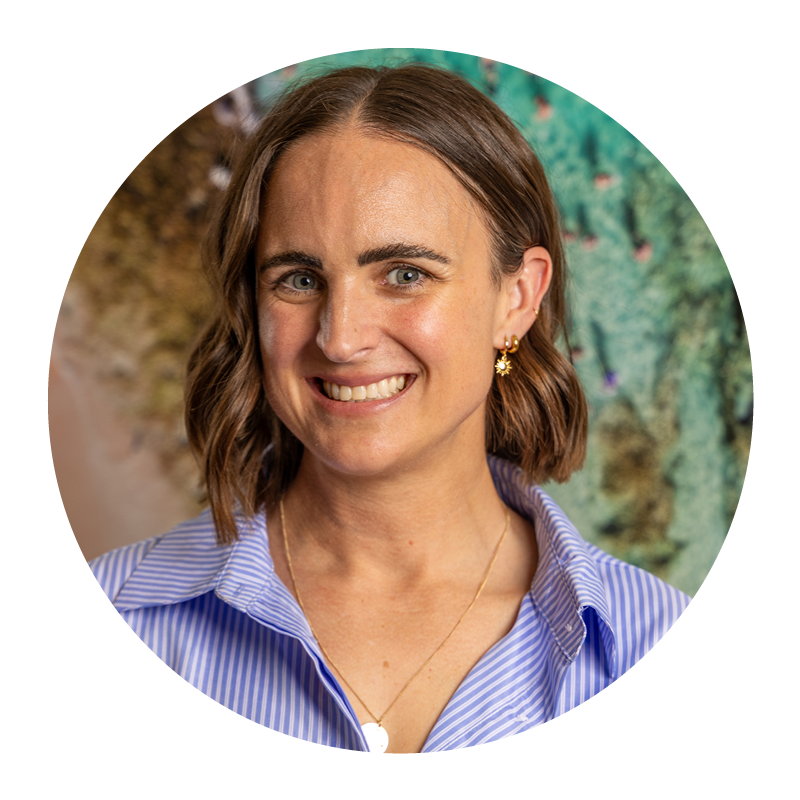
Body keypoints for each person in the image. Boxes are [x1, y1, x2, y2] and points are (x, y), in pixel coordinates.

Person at [88, 62, 690, 753]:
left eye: (405, 275)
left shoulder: (662, 650)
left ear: (518, 298)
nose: (340, 338)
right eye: (299, 278)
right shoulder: (120, 610)